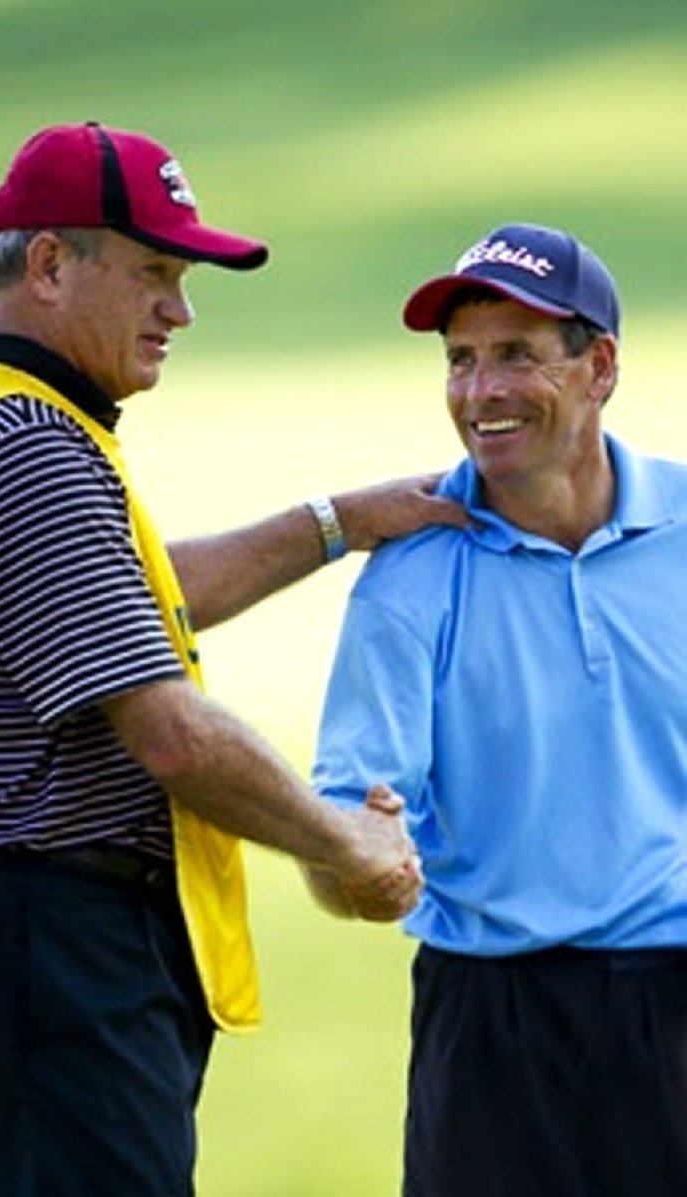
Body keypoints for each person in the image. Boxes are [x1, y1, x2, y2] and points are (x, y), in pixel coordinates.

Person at [0, 121, 467, 1197]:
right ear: (52, 264)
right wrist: (345, 842)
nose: (180, 309)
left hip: (25, 963)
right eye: (155, 271)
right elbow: (173, 737)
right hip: (50, 965)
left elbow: (133, 602)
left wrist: (337, 521)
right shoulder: (23, 446)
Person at [310, 222, 687, 1196]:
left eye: (513, 355)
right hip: (492, 1025)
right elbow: (346, 822)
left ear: (596, 365)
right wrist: (355, 872)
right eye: (459, 361)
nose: (478, 394)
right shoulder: (410, 578)